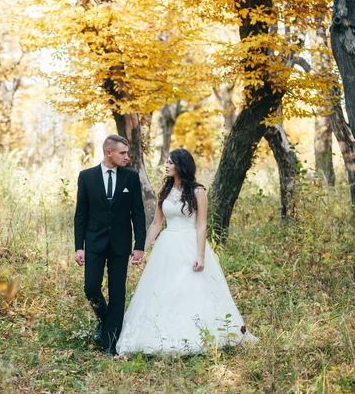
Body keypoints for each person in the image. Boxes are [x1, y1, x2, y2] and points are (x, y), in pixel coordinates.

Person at [116, 148, 256, 356]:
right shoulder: (165, 189)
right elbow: (156, 224)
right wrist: (140, 249)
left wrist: (200, 255)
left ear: (181, 165)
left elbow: (201, 225)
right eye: (167, 161)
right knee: (163, 289)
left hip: (190, 244)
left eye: (170, 162)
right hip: (167, 246)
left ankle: (203, 335)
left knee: (193, 289)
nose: (166, 165)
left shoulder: (198, 191)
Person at [74, 134, 147, 356]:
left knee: (117, 292)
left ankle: (111, 343)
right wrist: (79, 247)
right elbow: (80, 215)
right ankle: (105, 321)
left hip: (120, 244)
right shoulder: (86, 177)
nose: (127, 156)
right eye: (122, 153)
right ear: (109, 153)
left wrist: (139, 245)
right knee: (91, 288)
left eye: (127, 152)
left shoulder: (131, 178)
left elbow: (138, 213)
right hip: (94, 243)